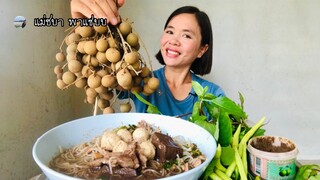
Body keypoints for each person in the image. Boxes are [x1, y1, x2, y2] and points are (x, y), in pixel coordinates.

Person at [70, 1, 225, 120]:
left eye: (186, 35)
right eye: (170, 31)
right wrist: (84, 26)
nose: (173, 40)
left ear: (202, 50)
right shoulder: (140, 80)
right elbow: (99, 75)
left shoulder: (213, 95)